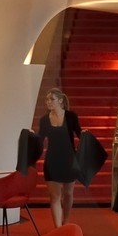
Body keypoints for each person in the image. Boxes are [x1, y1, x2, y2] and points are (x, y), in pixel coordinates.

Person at [36, 89, 81, 226]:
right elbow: (40, 139)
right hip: (52, 161)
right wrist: (31, 136)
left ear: (60, 101)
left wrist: (85, 134)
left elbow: (79, 134)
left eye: (52, 99)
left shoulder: (71, 117)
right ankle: (58, 229)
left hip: (69, 160)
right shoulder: (44, 120)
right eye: (47, 99)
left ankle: (66, 221)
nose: (48, 102)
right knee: (55, 197)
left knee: (68, 193)